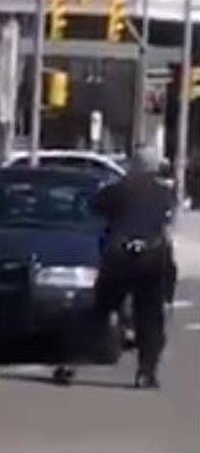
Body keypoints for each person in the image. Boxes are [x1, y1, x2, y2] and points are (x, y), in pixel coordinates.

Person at [59, 147, 174, 389]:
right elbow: (165, 225)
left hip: (118, 256)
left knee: (100, 311)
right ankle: (146, 373)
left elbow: (94, 208)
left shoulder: (116, 191)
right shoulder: (165, 194)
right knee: (150, 317)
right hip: (151, 256)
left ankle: (71, 363)